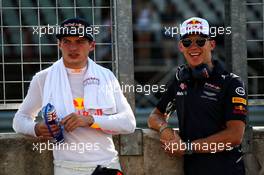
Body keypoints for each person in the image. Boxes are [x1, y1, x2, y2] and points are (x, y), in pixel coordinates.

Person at [13, 17, 136, 175]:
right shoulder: (43, 78)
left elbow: (129, 123)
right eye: (66, 41)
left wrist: (91, 120)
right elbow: (19, 119)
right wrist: (36, 128)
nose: (73, 47)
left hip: (108, 165)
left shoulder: (107, 76)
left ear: (92, 45)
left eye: (80, 41)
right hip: (66, 168)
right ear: (59, 44)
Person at [148, 17, 247, 175]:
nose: (193, 47)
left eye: (200, 41)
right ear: (181, 46)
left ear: (211, 44)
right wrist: (165, 129)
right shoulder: (180, 80)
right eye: (187, 42)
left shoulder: (231, 83)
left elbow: (235, 136)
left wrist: (188, 147)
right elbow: (155, 116)